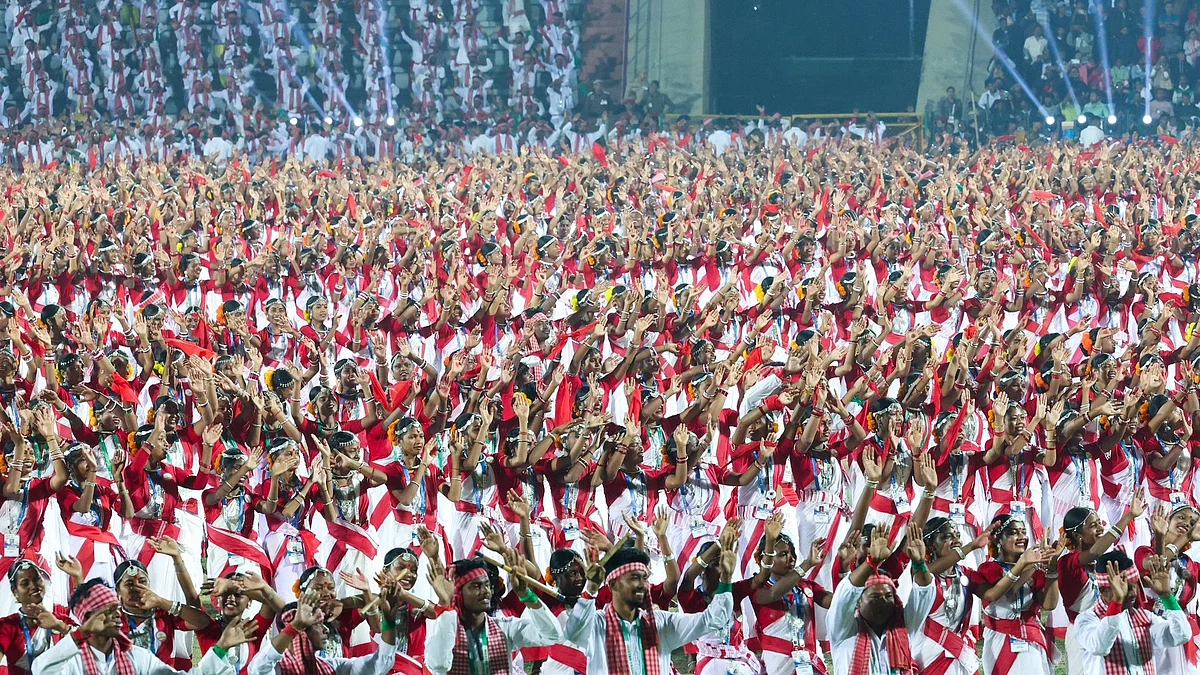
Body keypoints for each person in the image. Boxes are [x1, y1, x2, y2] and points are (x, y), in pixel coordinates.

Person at [564, 543, 734, 675]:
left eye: (645, 578)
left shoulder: (662, 623)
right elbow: (573, 633)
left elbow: (713, 620)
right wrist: (591, 588)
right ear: (613, 584)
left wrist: (726, 577)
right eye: (634, 578)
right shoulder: (598, 624)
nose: (642, 585)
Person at [31, 579, 254, 675]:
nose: (117, 616)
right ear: (88, 618)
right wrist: (81, 633)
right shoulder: (72, 661)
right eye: (107, 611)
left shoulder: (136, 658)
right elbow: (40, 669)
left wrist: (221, 648)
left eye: (116, 609)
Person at [424, 551, 563, 675]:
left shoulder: (504, 628)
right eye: (476, 586)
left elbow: (552, 635)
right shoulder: (446, 629)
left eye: (487, 585)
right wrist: (446, 604)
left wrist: (525, 594)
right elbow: (439, 665)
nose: (485, 591)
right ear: (458, 593)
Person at [826, 523, 935, 675]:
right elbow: (846, 593)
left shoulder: (903, 627)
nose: (883, 601)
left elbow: (924, 593)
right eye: (875, 597)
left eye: (888, 596)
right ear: (859, 601)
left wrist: (919, 563)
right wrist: (872, 562)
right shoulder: (844, 629)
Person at [1073, 550, 1191, 672]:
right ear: (1103, 591)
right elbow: (1100, 647)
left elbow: (1181, 635)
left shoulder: (1144, 617)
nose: (1134, 593)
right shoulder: (1087, 620)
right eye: (1126, 588)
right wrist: (1117, 602)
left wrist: (1167, 597)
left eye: (1135, 586)